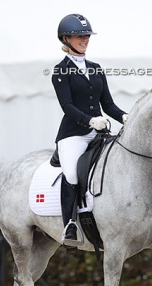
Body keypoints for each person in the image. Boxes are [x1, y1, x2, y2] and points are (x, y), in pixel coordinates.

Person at [52, 14, 128, 246]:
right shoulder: (60, 71)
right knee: (72, 174)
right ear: (66, 38)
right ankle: (70, 225)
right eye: (79, 35)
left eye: (86, 35)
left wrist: (125, 117)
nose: (84, 39)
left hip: (98, 133)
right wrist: (90, 121)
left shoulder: (95, 69)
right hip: (73, 135)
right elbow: (67, 106)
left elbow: (108, 105)